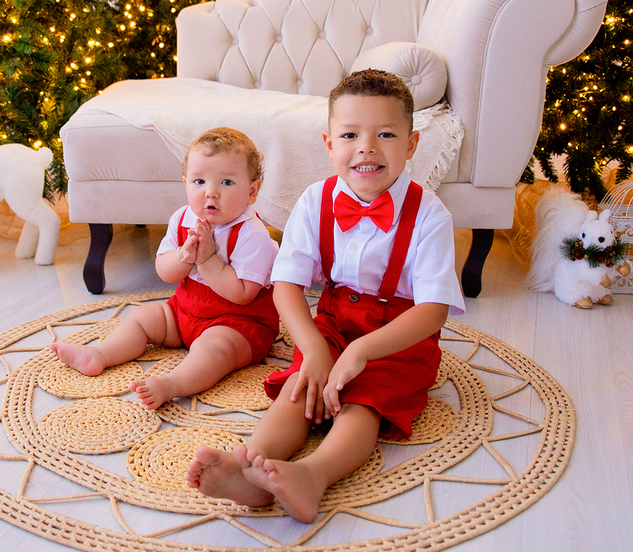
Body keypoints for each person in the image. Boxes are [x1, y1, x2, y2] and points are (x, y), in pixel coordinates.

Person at [186, 69, 465, 522]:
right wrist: (314, 348)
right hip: (333, 322)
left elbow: (432, 311)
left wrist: (363, 350)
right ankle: (246, 466)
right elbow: (288, 285)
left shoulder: (430, 215)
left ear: (411, 145)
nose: (366, 147)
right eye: (350, 134)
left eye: (386, 134)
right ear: (329, 142)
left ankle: (313, 476)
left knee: (361, 404)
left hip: (397, 338)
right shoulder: (316, 200)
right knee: (300, 387)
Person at [50, 127, 280, 410]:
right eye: (199, 181)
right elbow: (164, 271)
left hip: (238, 323)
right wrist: (184, 255)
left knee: (213, 349)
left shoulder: (252, 234)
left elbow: (243, 293)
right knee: (144, 316)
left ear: (252, 190)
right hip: (185, 312)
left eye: (227, 182)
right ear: (185, 183)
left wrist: (207, 260)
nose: (211, 192)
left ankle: (172, 384)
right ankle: (101, 354)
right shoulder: (182, 219)